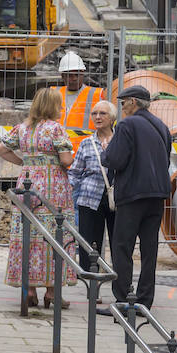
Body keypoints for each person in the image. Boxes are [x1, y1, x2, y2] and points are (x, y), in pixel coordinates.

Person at [0, 87, 77, 309]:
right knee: (55, 235)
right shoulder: (56, 129)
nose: (62, 107)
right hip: (54, 188)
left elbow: (1, 149)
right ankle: (52, 292)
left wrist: (25, 163)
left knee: (27, 235)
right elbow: (66, 159)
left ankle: (29, 290)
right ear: (53, 106)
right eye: (60, 104)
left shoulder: (22, 128)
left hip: (27, 185)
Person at [99, 84, 172, 315]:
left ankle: (122, 300)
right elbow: (165, 158)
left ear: (133, 102)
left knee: (122, 246)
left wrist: (105, 152)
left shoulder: (127, 124)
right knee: (150, 249)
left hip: (133, 194)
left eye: (123, 102)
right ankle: (144, 301)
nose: (121, 107)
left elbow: (115, 159)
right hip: (157, 194)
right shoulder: (161, 126)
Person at [66, 100, 118, 271]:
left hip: (117, 198)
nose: (97, 117)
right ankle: (90, 284)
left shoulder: (121, 141)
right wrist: (66, 190)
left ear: (112, 118)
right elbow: (75, 172)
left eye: (102, 113)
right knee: (89, 243)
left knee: (119, 242)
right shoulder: (86, 143)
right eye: (94, 113)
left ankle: (120, 282)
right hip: (89, 198)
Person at [55, 51, 105, 149]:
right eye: (70, 75)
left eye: (77, 75)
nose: (74, 79)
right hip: (58, 151)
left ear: (83, 74)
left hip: (87, 150)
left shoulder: (96, 95)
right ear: (62, 76)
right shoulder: (54, 94)